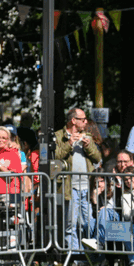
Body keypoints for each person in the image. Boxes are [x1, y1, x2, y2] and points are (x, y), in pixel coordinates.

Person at [55, 108, 102, 252]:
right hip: (69, 187)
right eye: (83, 119)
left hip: (86, 186)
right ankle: (75, 256)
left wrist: (88, 146)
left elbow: (97, 158)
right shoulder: (59, 136)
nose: (86, 122)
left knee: (88, 222)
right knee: (71, 224)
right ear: (73, 121)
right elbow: (56, 157)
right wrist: (69, 143)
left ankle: (87, 253)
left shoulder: (87, 135)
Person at [0, 126, 24, 196]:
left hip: (9, 196)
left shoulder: (13, 153)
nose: (0, 140)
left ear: (8, 140)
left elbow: (11, 176)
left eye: (3, 138)